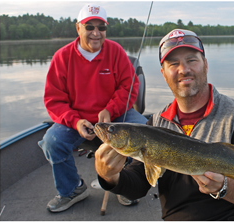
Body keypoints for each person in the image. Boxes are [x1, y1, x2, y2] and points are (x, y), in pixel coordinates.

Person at [95, 29, 234, 220]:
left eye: (191, 60)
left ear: (205, 65)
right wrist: (109, 177)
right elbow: (138, 186)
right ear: (163, 73)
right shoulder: (155, 123)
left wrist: (224, 186)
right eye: (173, 63)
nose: (183, 69)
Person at [38, 3, 147, 213]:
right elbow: (54, 100)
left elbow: (129, 85)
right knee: (52, 142)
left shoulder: (115, 51)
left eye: (101, 27)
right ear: (78, 28)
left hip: (115, 116)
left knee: (145, 130)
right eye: (90, 27)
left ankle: (128, 184)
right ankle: (72, 190)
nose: (96, 33)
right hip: (77, 121)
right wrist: (75, 121)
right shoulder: (61, 57)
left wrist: (110, 109)